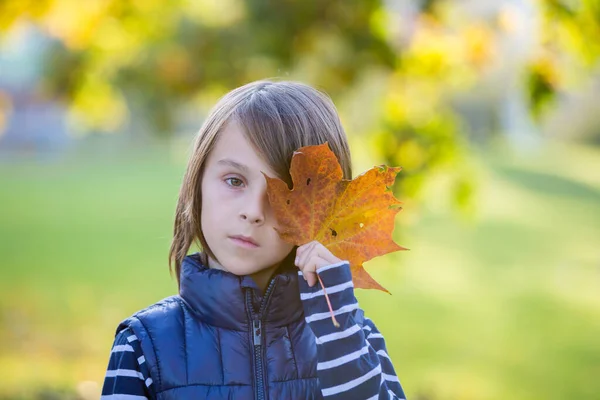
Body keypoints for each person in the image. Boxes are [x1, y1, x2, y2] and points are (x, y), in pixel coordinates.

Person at [101, 80, 407, 399]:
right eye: (235, 181)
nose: (253, 212)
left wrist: (339, 330)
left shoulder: (356, 340)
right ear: (198, 182)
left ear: (324, 210)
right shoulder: (144, 346)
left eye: (282, 196)